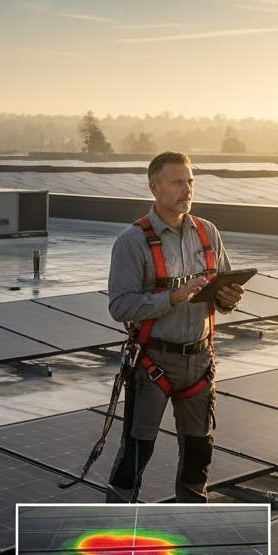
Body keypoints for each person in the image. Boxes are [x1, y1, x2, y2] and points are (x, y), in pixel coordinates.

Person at [106, 151, 244, 502]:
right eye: (178, 182)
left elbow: (222, 296)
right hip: (154, 363)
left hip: (199, 362)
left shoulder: (207, 233)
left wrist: (229, 298)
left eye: (190, 181)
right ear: (155, 188)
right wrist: (173, 296)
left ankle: (191, 524)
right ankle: (116, 529)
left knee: (199, 454)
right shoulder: (133, 242)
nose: (187, 189)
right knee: (136, 454)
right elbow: (119, 305)